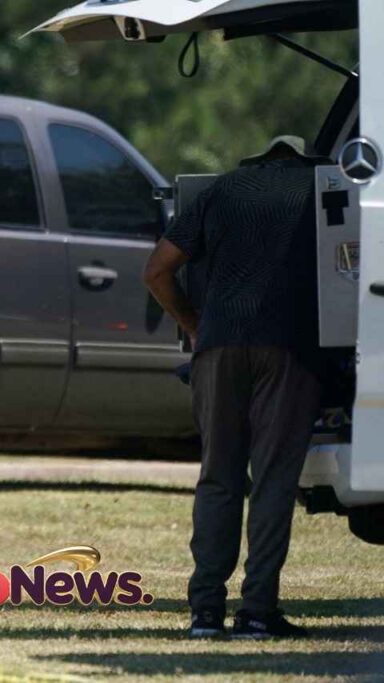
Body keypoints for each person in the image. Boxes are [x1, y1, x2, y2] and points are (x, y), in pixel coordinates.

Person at [144, 135, 330, 639]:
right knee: (271, 480)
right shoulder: (323, 188)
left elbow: (157, 269)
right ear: (305, 159)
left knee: (219, 477)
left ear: (259, 161)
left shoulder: (221, 190)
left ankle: (205, 612)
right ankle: (257, 611)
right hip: (288, 349)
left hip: (218, 347)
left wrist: (190, 321)